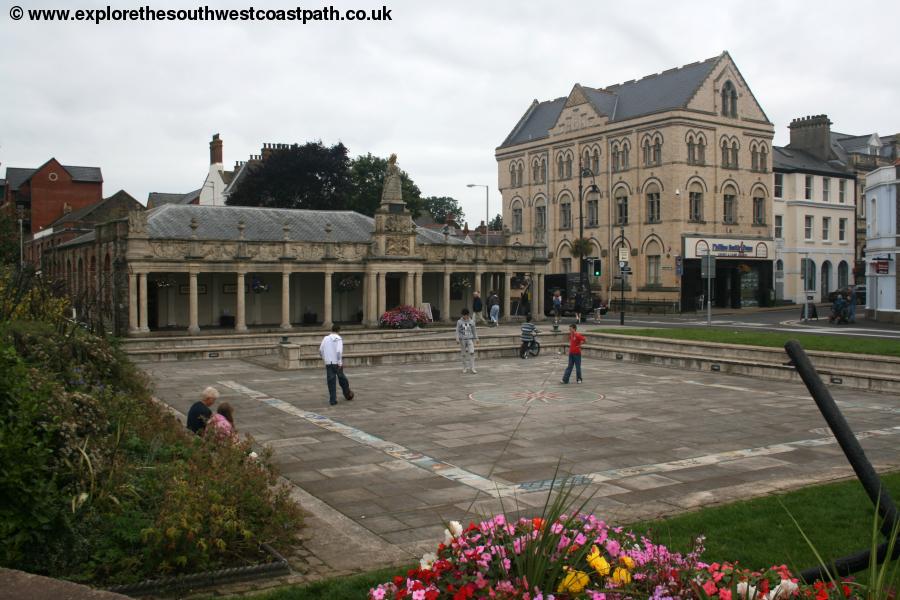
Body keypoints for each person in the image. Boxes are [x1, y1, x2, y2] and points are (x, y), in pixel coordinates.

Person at [319, 324, 354, 406]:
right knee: (342, 379)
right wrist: (339, 362)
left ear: (331, 330)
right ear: (338, 330)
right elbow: (339, 352)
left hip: (328, 362)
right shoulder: (338, 339)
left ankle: (332, 400)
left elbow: (320, 350)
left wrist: (325, 358)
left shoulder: (326, 338)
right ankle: (347, 393)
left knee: (331, 381)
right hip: (336, 362)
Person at [456, 308, 478, 373]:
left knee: (472, 352)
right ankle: (464, 367)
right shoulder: (459, 322)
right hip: (462, 339)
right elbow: (457, 330)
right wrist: (457, 338)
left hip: (469, 339)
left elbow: (474, 331)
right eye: (464, 315)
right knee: (463, 354)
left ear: (468, 315)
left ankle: (473, 368)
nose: (465, 316)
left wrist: (476, 338)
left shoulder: (471, 322)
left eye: (466, 315)